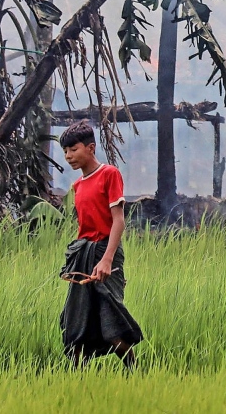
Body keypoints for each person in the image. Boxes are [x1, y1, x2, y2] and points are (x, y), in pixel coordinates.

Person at [58, 120, 143, 366]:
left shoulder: (109, 174)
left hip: (106, 253)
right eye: (65, 151)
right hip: (84, 253)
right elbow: (84, 226)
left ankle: (134, 372)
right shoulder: (77, 185)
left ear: (91, 148)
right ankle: (77, 384)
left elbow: (118, 221)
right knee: (77, 321)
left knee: (111, 322)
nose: (68, 156)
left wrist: (107, 260)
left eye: (73, 149)